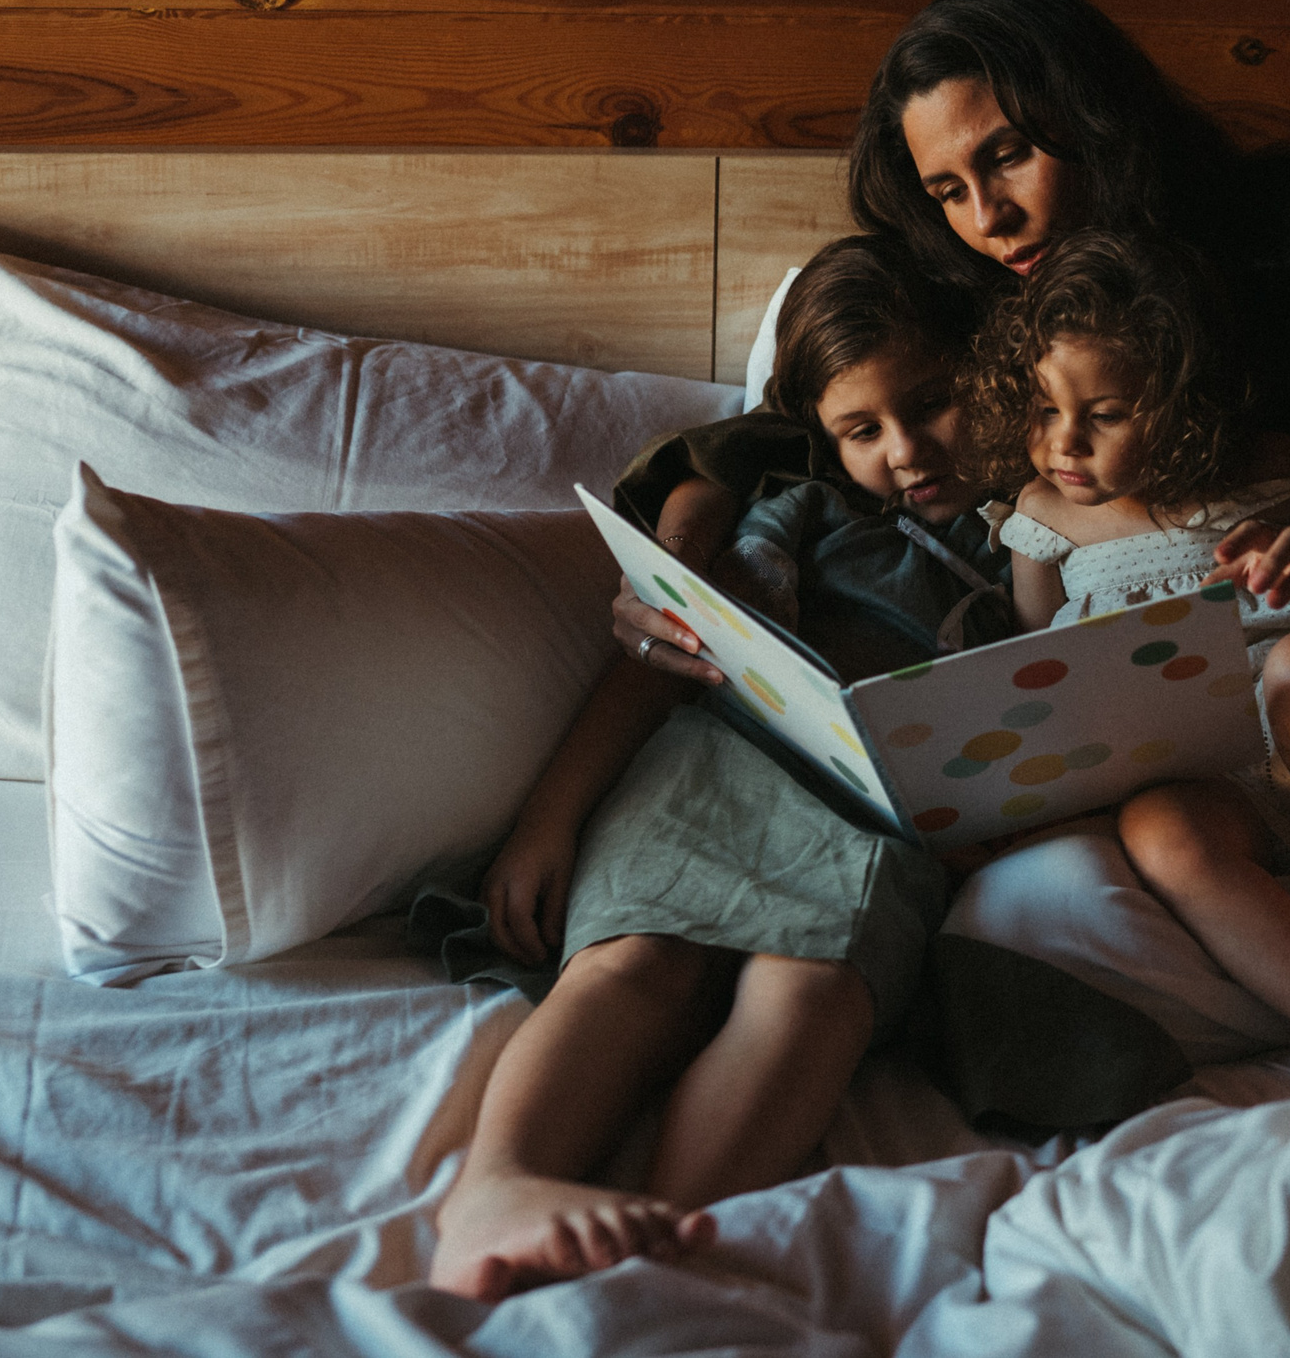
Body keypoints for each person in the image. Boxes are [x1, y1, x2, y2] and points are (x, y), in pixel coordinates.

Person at [615, 0, 1290, 1120]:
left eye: (1009, 155)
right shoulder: (990, 289)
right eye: (947, 189)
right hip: (1184, 795)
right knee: (1017, 923)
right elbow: (795, 424)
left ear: (1097, 119)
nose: (988, 217)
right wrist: (677, 554)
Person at [428, 234, 1005, 1302]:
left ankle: (665, 1244)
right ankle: (494, 1186)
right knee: (635, 960)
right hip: (716, 761)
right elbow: (669, 655)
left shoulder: (1035, 532)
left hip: (875, 816)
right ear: (819, 433)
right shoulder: (797, 506)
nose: (907, 449)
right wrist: (550, 817)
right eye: (862, 429)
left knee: (815, 990)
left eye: (932, 403)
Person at [965, 228, 1290, 1050]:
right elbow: (1039, 665)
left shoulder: (1283, 474)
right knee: (1161, 832)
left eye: (1105, 415)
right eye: (1045, 409)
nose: (1064, 443)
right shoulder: (1040, 519)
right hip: (1198, 776)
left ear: (1183, 402)